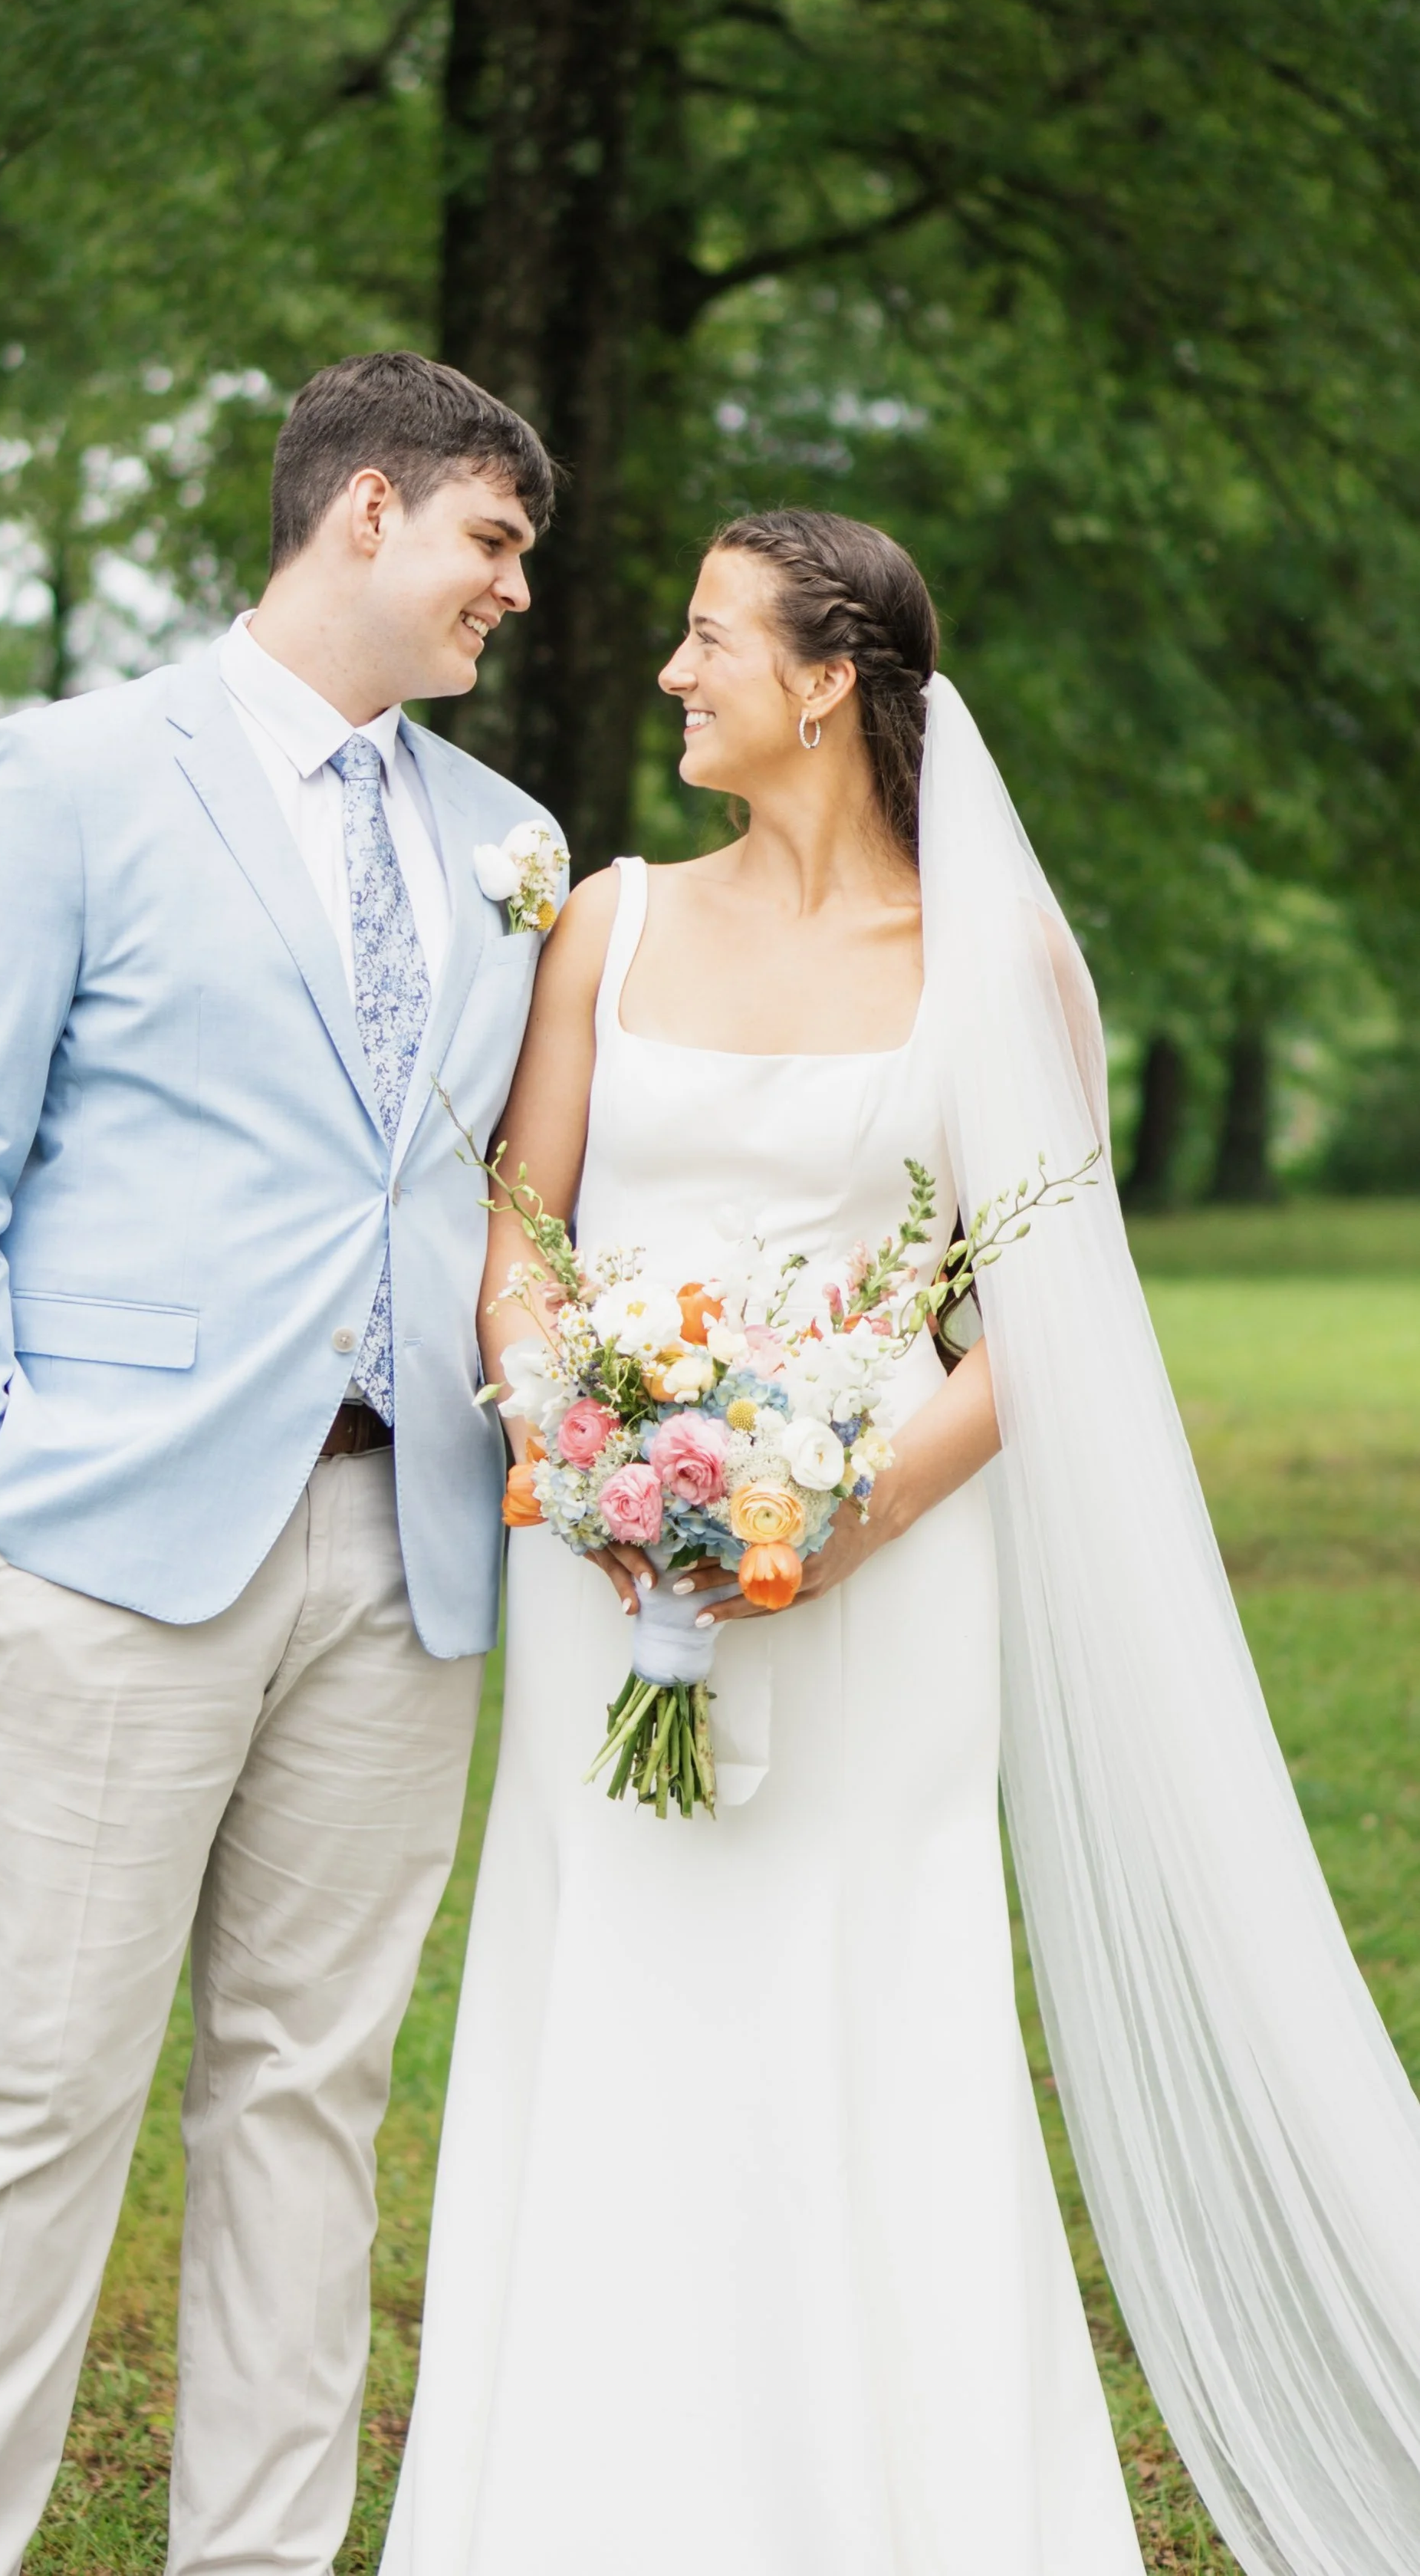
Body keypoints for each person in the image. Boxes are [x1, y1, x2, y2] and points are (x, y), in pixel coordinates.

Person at [383, 511, 1420, 2576]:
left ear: (827, 676)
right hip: (605, 1574)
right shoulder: (610, 920)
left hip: (881, 1577)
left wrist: (822, 1520)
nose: (670, 673)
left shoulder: (999, 961)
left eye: (705, 639)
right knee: (615, 2001)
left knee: (874, 2005)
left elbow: (1048, 1321)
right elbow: (525, 1218)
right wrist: (576, 1443)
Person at [0, 350, 563, 2576]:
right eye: (491, 542)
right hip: (100, 1542)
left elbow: (502, 1202)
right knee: (35, 2097)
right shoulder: (63, 777)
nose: (514, 594)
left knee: (307, 2105)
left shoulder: (505, 848)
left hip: (407, 1548)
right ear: (365, 508)